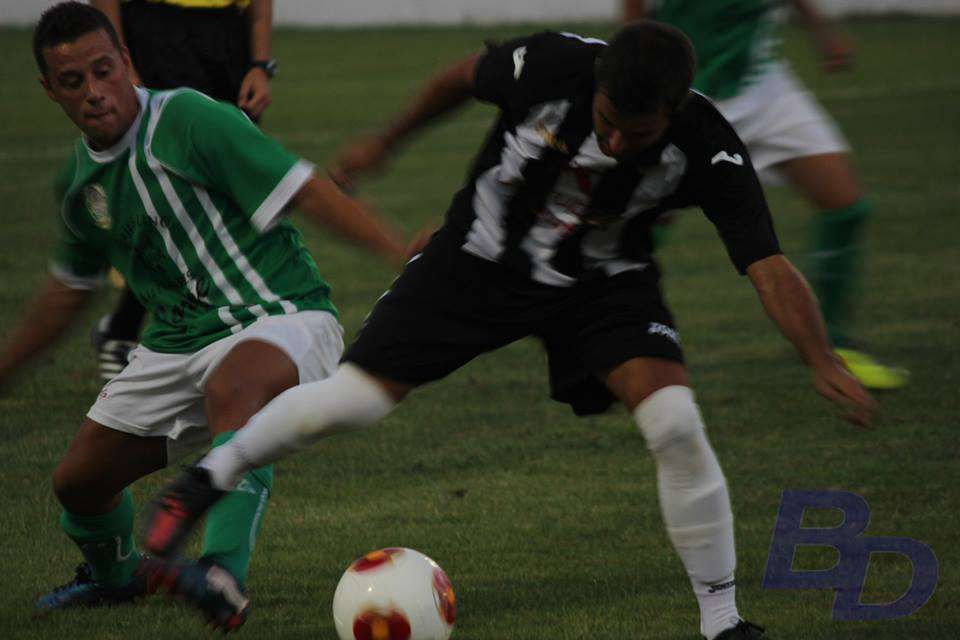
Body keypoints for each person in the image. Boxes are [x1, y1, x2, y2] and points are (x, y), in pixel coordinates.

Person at [144, 23, 875, 639]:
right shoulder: (554, 64)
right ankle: (204, 479)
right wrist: (385, 143)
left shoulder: (706, 141)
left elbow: (767, 263)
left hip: (603, 283)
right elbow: (459, 77)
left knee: (677, 423)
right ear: (599, 82)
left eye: (637, 131)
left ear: (675, 108)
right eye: (608, 119)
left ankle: (724, 623)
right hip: (477, 260)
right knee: (356, 402)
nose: (617, 141)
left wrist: (819, 356)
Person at [0, 2, 405, 630]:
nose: (96, 93)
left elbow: (300, 186)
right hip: (173, 346)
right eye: (74, 82)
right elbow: (64, 295)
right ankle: (116, 579)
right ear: (49, 90)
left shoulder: (187, 118)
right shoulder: (80, 189)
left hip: (281, 314)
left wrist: (398, 250)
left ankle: (221, 573)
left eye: (105, 71)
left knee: (233, 386)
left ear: (127, 63)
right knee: (77, 483)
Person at [623, 0, 909, 390]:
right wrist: (633, 67)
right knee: (637, 224)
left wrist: (823, 35)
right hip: (685, 95)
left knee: (845, 205)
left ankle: (836, 345)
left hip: (763, 90)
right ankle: (605, 336)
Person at [87, 0, 277, 382]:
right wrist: (120, 63)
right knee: (164, 198)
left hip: (226, 40)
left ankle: (204, 332)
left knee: (226, 196)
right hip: (154, 33)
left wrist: (260, 64)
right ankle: (124, 331)